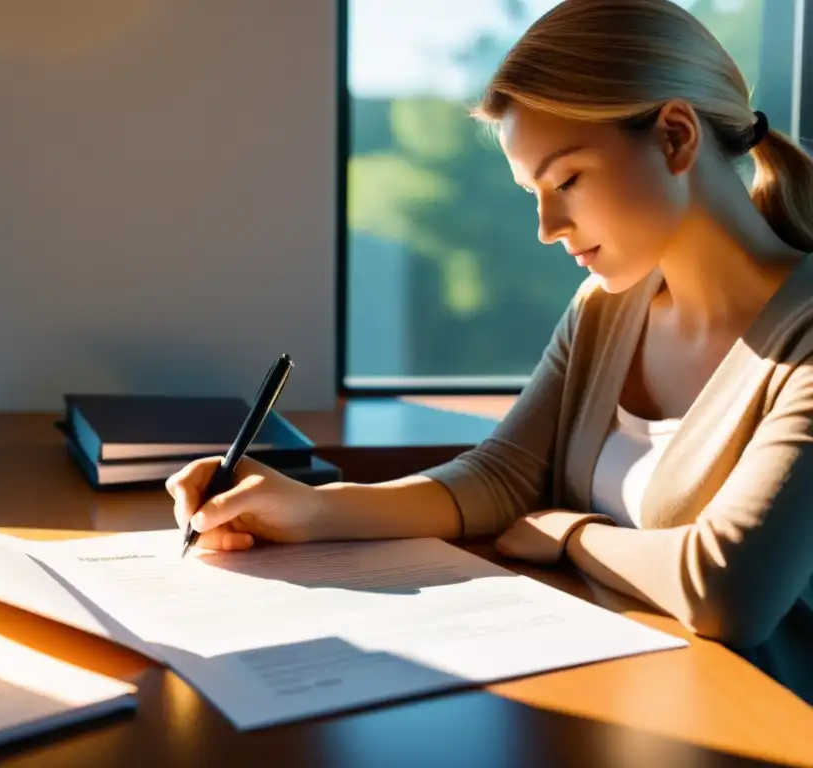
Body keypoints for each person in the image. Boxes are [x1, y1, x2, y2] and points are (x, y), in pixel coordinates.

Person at [166, 0, 813, 704]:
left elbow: (729, 589)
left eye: (567, 180)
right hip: (616, 698)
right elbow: (503, 479)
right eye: (533, 192)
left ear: (676, 137)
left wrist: (571, 535)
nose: (546, 226)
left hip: (759, 726)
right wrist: (309, 511)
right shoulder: (607, 309)